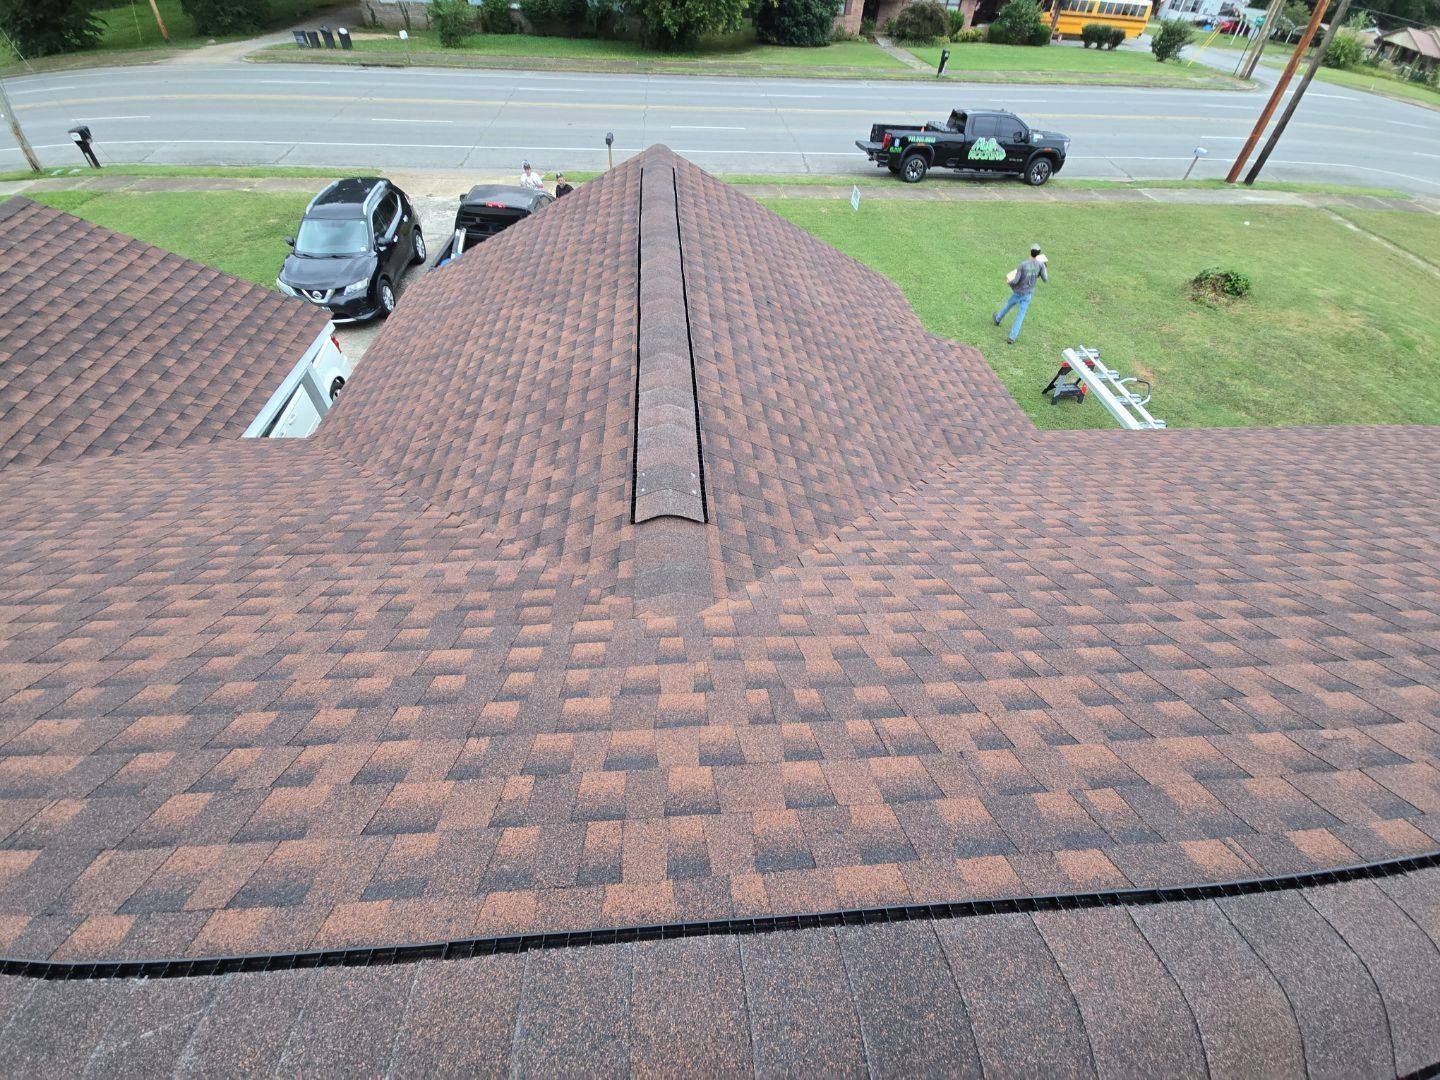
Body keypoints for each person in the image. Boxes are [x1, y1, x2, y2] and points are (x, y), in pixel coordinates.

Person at [994, 244, 1049, 344]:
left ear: (1030, 252)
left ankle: (998, 318)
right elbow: (1045, 279)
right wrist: (1045, 268)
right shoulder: (1041, 265)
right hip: (1027, 294)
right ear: (1039, 254)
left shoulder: (1023, 265)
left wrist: (1009, 281)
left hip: (1018, 292)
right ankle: (1012, 337)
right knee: (1020, 316)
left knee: (1008, 305)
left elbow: (1015, 281)